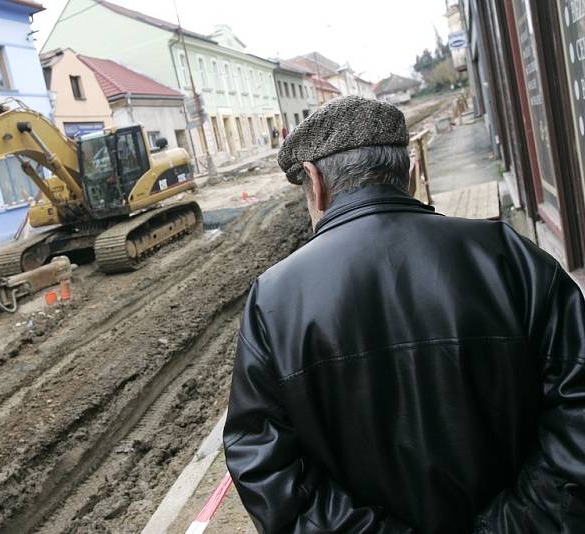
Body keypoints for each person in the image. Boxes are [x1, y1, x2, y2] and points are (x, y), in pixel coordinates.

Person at [223, 95, 585, 533]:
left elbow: (266, 465)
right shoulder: (512, 258)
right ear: (410, 173)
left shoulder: (274, 300)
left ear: (315, 183)